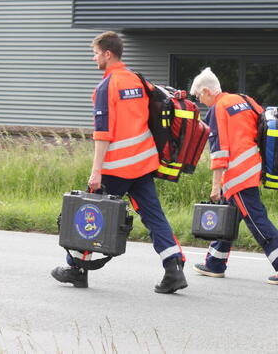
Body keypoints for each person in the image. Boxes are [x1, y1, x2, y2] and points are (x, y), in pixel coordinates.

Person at [51, 31, 187, 294]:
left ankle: (76, 269)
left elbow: (103, 134)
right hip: (144, 162)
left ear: (107, 54)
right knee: (154, 216)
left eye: (96, 53)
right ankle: (174, 269)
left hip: (117, 167)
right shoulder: (138, 80)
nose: (94, 58)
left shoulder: (106, 86)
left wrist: (96, 172)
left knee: (89, 213)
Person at [189, 67, 278, 285]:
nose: (200, 101)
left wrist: (216, 185)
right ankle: (215, 263)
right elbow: (264, 127)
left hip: (237, 174)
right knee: (229, 214)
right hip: (253, 165)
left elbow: (219, 151)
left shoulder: (217, 109)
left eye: (199, 96)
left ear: (207, 90)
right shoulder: (244, 99)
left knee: (256, 219)